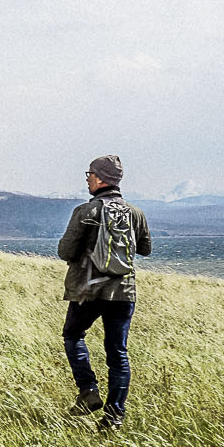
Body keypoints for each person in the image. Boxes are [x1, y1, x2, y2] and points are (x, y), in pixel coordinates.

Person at [55, 154, 151, 429]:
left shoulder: (86, 211)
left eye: (89, 174)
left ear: (99, 178)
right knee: (118, 352)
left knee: (73, 335)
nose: (87, 178)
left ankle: (88, 390)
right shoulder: (136, 213)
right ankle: (114, 416)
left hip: (88, 290)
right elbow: (145, 249)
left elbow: (65, 251)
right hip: (124, 290)